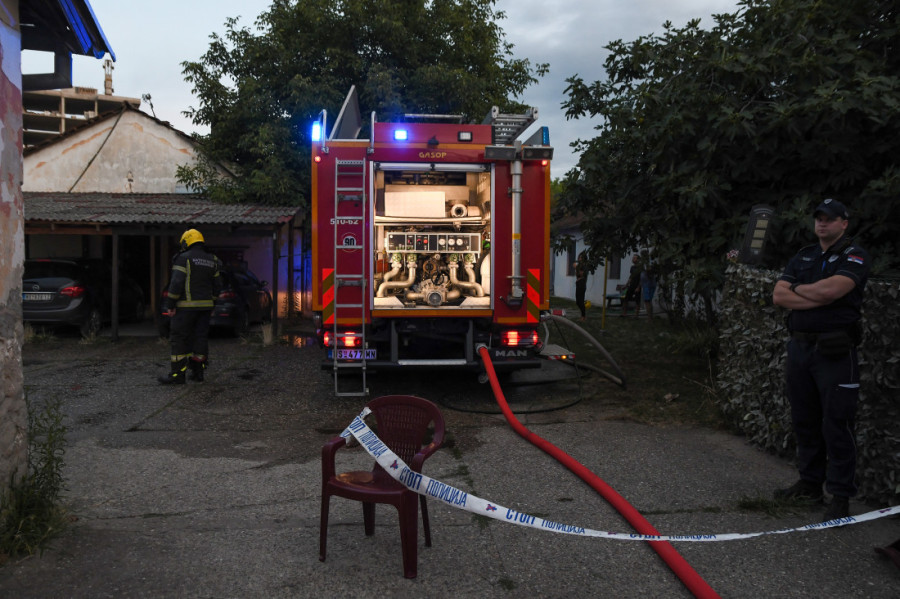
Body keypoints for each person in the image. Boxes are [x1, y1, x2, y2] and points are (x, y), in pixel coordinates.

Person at [771, 199, 870, 522]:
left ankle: (840, 496)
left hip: (834, 352)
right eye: (819, 218)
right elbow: (779, 296)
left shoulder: (854, 255)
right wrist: (813, 293)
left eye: (830, 219)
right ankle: (810, 483)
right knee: (805, 418)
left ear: (844, 223)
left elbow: (833, 290)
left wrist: (799, 289)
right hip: (801, 349)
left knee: (837, 423)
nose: (822, 224)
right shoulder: (804, 255)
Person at [158, 229, 222, 385]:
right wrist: (212, 302)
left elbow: (176, 283)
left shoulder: (183, 258)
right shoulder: (212, 260)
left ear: (186, 242)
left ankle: (177, 376)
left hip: (185, 309)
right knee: (200, 338)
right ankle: (198, 373)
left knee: (179, 339)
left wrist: (170, 304)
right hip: (205, 309)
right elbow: (218, 286)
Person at [573, 252, 588, 321]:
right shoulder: (580, 265)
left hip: (581, 284)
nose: (579, 258)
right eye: (579, 257)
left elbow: (581, 274)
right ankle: (583, 315)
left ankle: (583, 316)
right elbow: (578, 275)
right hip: (579, 283)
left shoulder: (584, 266)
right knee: (578, 301)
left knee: (580, 301)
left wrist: (576, 267)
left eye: (581, 257)